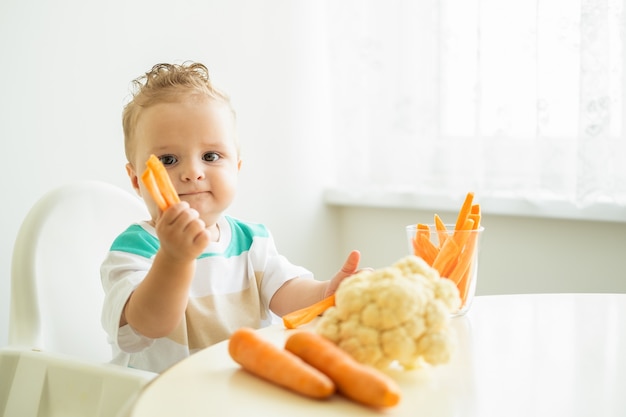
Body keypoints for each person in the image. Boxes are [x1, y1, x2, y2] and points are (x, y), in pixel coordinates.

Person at [100, 62, 364, 373]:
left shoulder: (252, 242)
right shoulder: (134, 249)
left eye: (211, 156)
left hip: (234, 391)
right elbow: (149, 324)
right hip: (162, 399)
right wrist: (173, 258)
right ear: (136, 180)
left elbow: (287, 293)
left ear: (236, 168)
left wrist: (326, 293)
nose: (192, 173)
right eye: (168, 160)